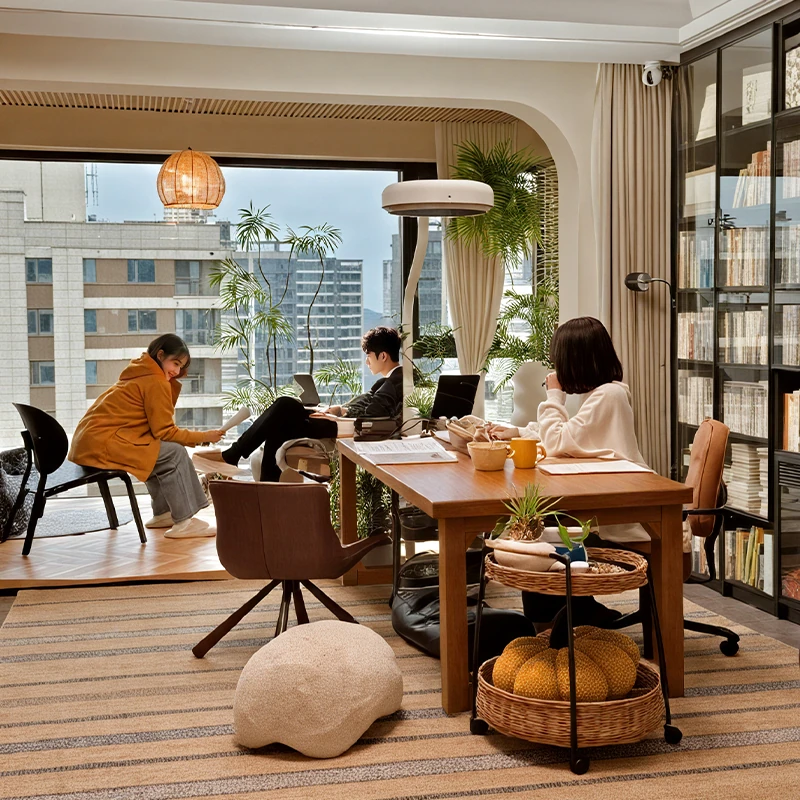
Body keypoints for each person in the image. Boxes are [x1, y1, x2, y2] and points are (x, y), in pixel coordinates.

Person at [483, 316, 650, 627]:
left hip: (620, 522)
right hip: (606, 508)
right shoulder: (603, 394)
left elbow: (557, 441)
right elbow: (571, 435)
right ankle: (567, 615)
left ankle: (557, 618)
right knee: (541, 522)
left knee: (539, 529)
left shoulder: (609, 396)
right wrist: (517, 431)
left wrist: (554, 395)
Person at [193, 326, 403, 482]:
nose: (367, 362)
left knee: (285, 405)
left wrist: (338, 415)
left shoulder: (395, 381)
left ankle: (234, 454)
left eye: (369, 356)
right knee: (280, 424)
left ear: (383, 356)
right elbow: (369, 407)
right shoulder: (390, 380)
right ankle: (267, 485)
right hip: (340, 423)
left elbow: (373, 415)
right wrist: (337, 409)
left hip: (345, 429)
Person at [68, 334, 224, 539]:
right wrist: (205, 436)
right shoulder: (155, 381)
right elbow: (165, 431)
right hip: (103, 444)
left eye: (181, 366)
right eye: (175, 363)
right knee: (175, 453)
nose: (177, 371)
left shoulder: (139, 372)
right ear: (160, 355)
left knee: (157, 450)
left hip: (89, 443)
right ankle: (185, 522)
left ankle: (163, 513)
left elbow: (158, 431)